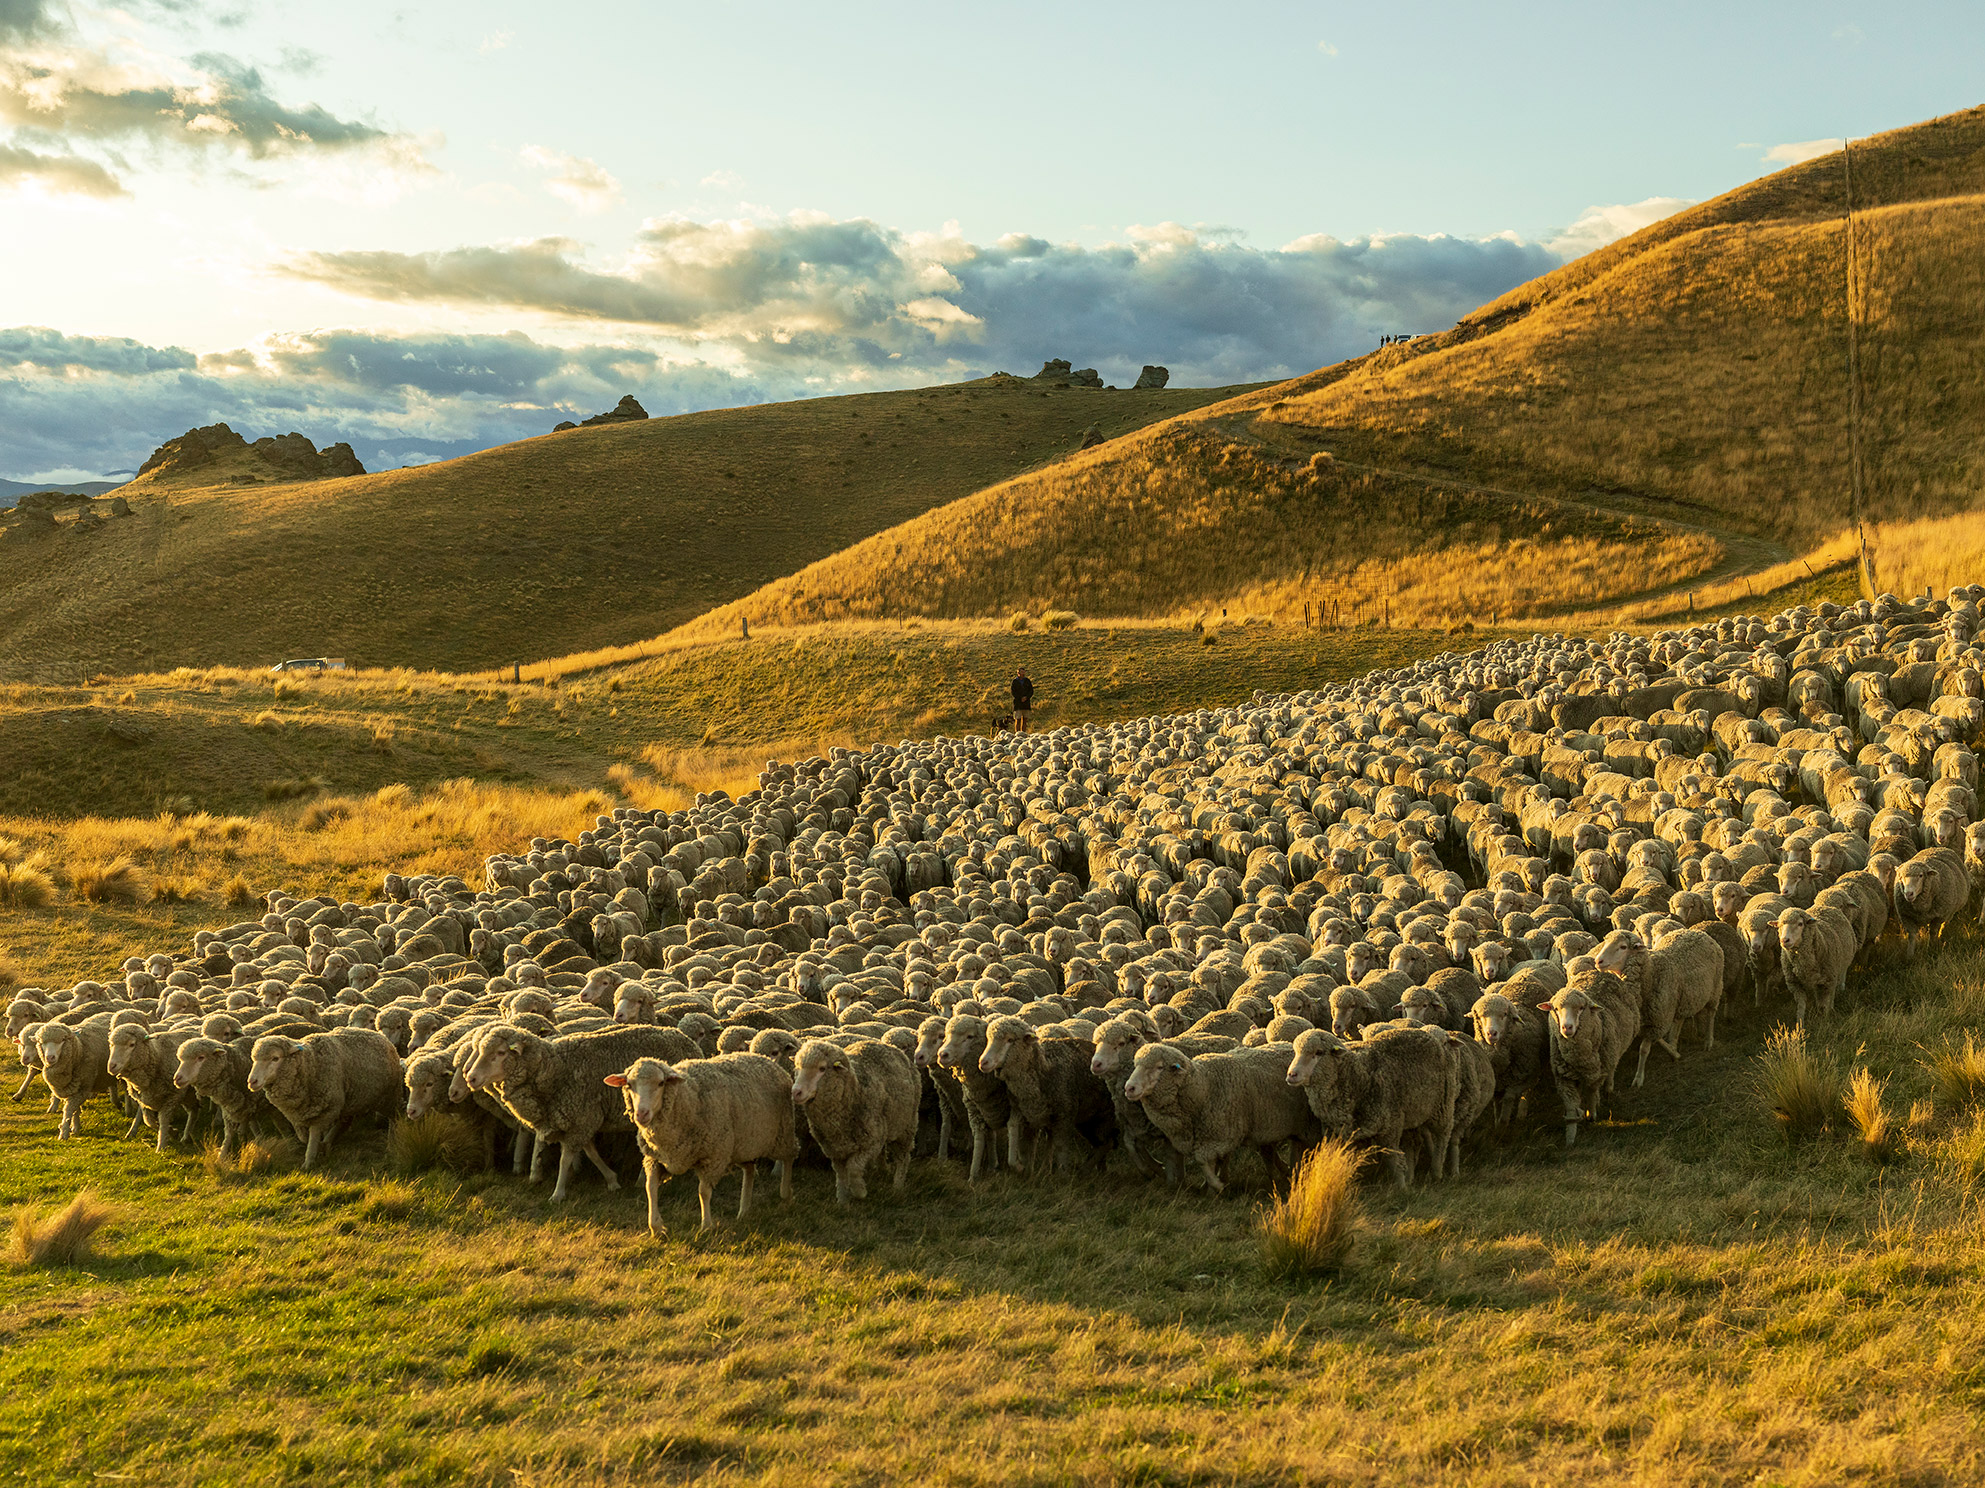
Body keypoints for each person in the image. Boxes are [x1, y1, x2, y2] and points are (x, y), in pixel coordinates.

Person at [1011, 668, 1034, 733]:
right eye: (1022, 672)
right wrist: (1020, 698)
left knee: (1025, 719)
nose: (1023, 674)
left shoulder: (1027, 681)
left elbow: (1031, 691)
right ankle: (1017, 733)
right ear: (1018, 673)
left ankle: (1023, 733)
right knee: (1017, 719)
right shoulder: (1015, 682)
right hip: (1018, 704)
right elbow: (1013, 692)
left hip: (1026, 703)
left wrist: (1026, 697)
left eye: (1024, 672)